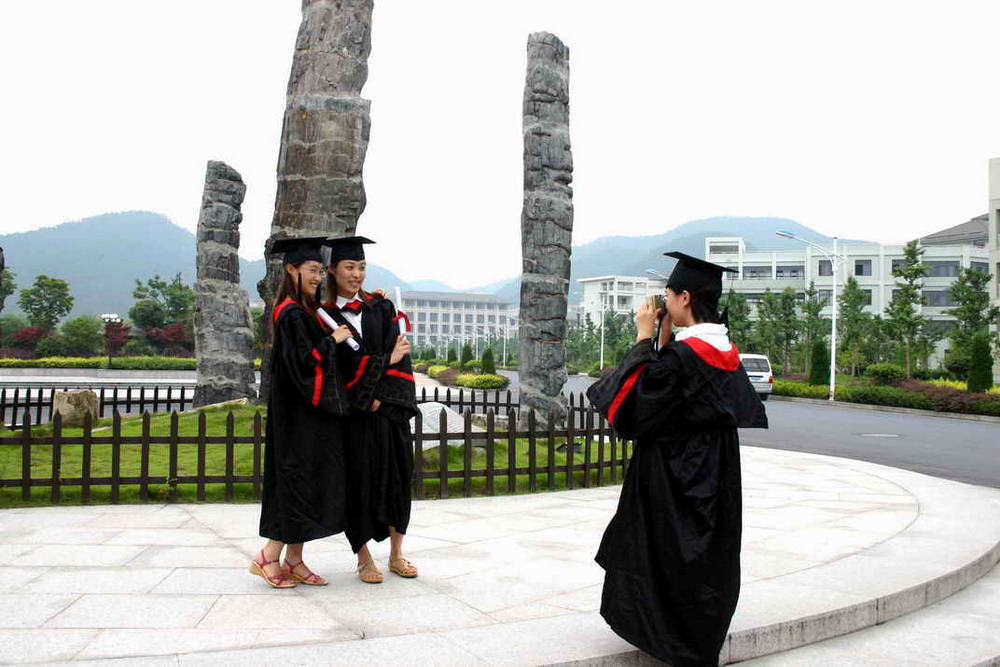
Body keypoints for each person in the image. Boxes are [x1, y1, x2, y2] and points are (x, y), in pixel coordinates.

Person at [586, 251, 767, 666]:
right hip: (714, 469)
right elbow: (676, 394)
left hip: (674, 472)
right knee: (705, 549)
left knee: (667, 547)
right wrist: (664, 340)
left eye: (668, 295)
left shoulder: (685, 355)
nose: (664, 302)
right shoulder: (722, 348)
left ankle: (675, 640)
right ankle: (700, 634)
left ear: (684, 298)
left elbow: (636, 407)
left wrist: (643, 337)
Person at [252, 237, 355, 589]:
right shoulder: (291, 313)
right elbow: (302, 364)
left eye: (320, 271)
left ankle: (294, 560)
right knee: (295, 481)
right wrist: (332, 341)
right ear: (291, 269)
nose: (317, 277)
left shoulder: (304, 310)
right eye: (312, 270)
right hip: (296, 416)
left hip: (306, 415)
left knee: (308, 481)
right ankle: (268, 556)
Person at [321, 236, 420, 585]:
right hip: (356, 417)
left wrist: (383, 397)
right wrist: (369, 392)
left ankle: (396, 554)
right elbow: (336, 369)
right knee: (359, 483)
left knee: (397, 480)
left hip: (389, 412)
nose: (356, 274)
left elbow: (400, 356)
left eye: (361, 267)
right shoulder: (325, 317)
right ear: (333, 270)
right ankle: (364, 559)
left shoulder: (382, 308)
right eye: (349, 267)